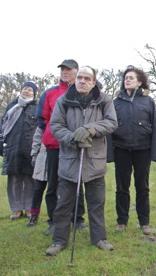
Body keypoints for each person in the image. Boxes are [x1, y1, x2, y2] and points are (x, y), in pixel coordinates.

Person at [45, 66, 118, 256]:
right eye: (80, 78)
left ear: (94, 82)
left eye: (87, 78)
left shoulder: (104, 100)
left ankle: (99, 238)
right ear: (75, 80)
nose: (82, 81)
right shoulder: (64, 101)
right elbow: (56, 125)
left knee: (97, 203)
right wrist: (73, 137)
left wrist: (90, 129)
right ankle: (59, 240)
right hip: (69, 160)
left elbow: (112, 122)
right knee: (64, 205)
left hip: (95, 161)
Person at [112, 66, 156, 234]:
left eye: (131, 77)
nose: (127, 79)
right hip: (121, 149)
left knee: (143, 186)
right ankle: (122, 221)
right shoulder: (116, 102)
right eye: (126, 77)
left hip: (143, 150)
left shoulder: (148, 101)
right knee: (122, 187)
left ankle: (144, 222)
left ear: (140, 82)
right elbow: (110, 128)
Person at [37, 59, 86, 234]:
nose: (65, 72)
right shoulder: (50, 93)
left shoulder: (83, 91)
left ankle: (78, 218)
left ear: (77, 71)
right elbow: (42, 119)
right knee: (53, 184)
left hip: (76, 146)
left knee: (77, 182)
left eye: (69, 69)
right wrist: (54, 133)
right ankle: (53, 220)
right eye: (63, 69)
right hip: (54, 146)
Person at [0, 81, 38, 220]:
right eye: (25, 89)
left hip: (29, 149)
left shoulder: (36, 107)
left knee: (29, 179)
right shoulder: (12, 106)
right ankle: (16, 209)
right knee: (14, 179)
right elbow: (3, 127)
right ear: (21, 90)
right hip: (12, 148)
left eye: (30, 90)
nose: (27, 91)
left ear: (34, 94)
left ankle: (29, 208)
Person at [27, 127, 48, 226]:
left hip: (58, 159)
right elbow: (37, 138)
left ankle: (55, 218)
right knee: (37, 189)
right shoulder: (42, 124)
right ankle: (34, 216)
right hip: (42, 158)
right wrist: (34, 154)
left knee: (56, 192)